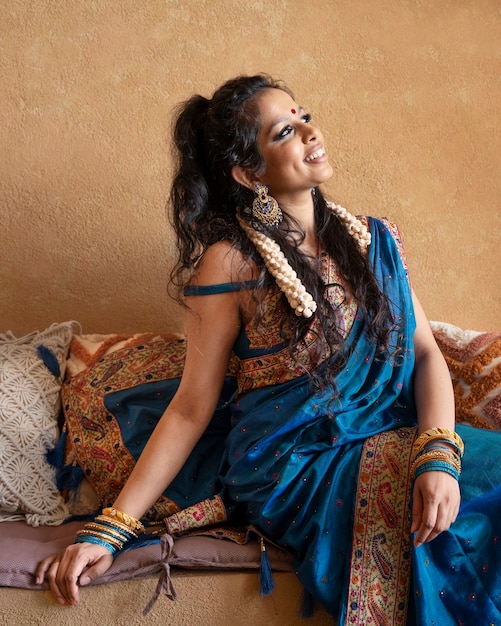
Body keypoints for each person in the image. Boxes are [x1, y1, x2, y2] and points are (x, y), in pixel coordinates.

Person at [36, 74, 501, 625]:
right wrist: (111, 530)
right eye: (285, 130)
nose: (310, 131)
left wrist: (438, 455)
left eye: (304, 115)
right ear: (247, 172)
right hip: (298, 466)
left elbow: (426, 356)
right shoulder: (231, 264)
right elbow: (190, 407)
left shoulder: (373, 241)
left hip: (395, 434)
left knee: (471, 494)